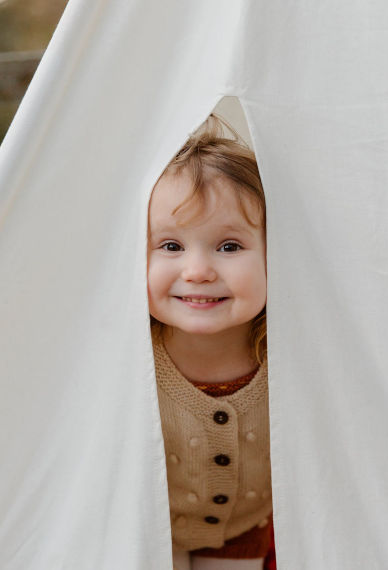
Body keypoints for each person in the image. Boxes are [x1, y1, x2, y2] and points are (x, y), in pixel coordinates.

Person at [147, 114, 275, 570]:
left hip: (243, 529)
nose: (197, 270)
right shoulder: (126, 355)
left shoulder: (290, 352)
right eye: (170, 246)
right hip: (147, 525)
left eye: (228, 246)